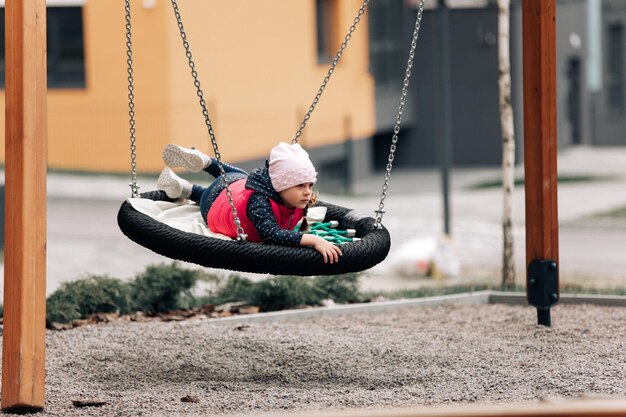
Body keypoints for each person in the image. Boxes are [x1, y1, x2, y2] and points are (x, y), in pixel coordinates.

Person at [157, 142, 342, 264]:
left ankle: (203, 166)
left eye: (310, 185)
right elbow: (270, 234)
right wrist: (314, 240)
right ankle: (190, 186)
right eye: (300, 185)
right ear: (279, 186)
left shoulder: (294, 197)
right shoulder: (259, 201)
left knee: (239, 176)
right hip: (214, 204)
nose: (307, 191)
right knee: (206, 193)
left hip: (237, 185)